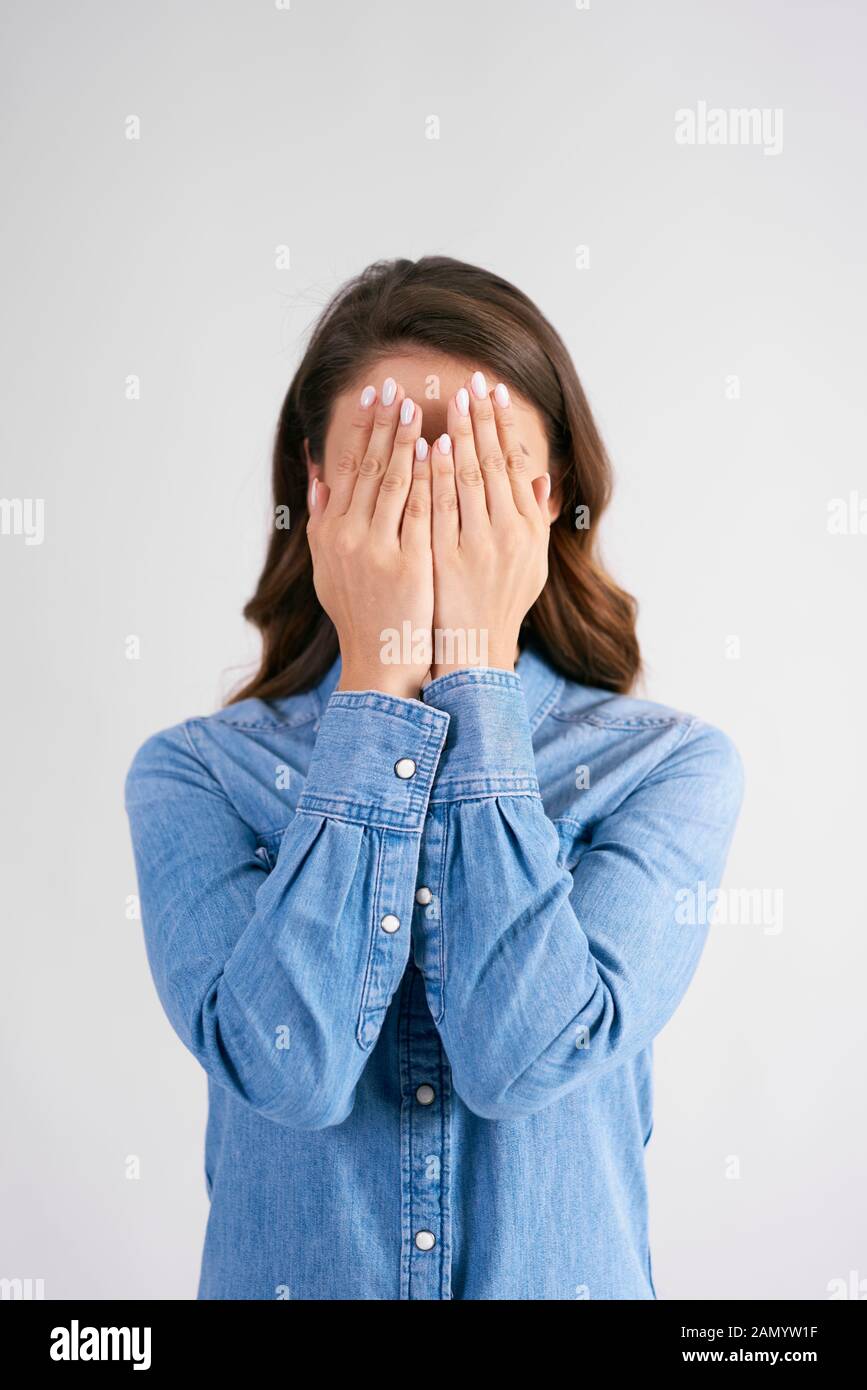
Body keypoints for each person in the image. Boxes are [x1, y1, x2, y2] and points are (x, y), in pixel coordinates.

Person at [125, 256, 743, 1300]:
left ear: (547, 494)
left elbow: (526, 1057)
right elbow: (292, 1070)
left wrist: (471, 669)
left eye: (477, 466)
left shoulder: (667, 767)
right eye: (390, 464)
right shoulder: (197, 775)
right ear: (317, 495)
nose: (432, 493)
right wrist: (378, 675)